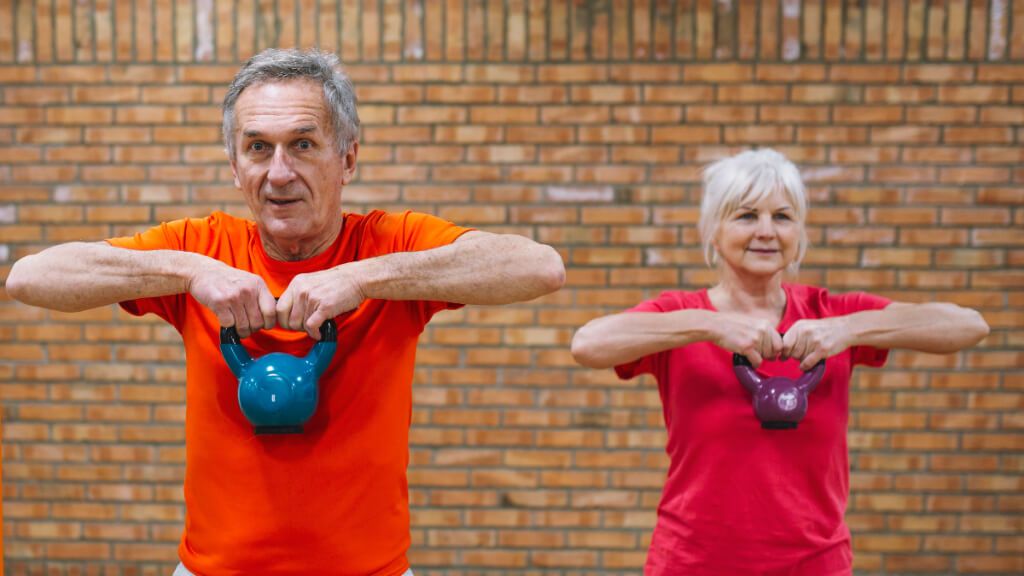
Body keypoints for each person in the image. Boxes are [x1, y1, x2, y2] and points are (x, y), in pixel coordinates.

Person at [7, 48, 565, 576]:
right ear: (233, 165)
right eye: (257, 148)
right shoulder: (201, 248)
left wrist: (362, 277)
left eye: (302, 144)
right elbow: (31, 278)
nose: (278, 173)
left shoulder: (388, 245)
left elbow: (537, 267)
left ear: (346, 159)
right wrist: (187, 272)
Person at [570, 148, 989, 576]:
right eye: (746, 215)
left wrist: (849, 330)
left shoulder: (832, 314)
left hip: (814, 564)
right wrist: (708, 326)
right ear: (714, 231)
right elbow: (588, 344)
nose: (766, 231)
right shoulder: (680, 314)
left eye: (783, 217)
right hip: (692, 563)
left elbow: (968, 326)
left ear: (800, 233)